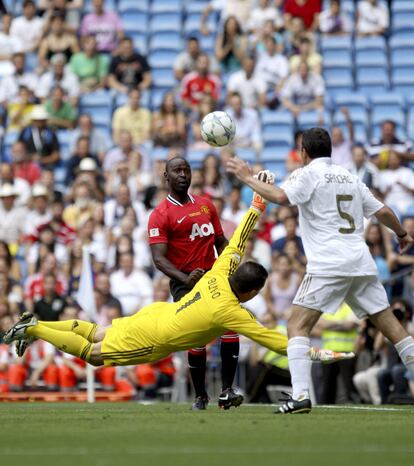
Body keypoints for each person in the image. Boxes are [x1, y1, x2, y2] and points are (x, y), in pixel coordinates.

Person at [4, 175, 352, 391]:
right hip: (154, 337)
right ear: (252, 293)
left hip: (156, 314)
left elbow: (238, 240)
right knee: (94, 355)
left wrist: (257, 203)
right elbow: (277, 341)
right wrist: (319, 354)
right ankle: (34, 329)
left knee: (98, 331)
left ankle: (35, 326)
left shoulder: (219, 271)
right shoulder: (233, 313)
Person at [227, 126, 414, 414]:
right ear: (329, 151)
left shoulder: (305, 174)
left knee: (296, 326)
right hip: (360, 263)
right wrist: (401, 234)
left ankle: (300, 396)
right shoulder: (351, 177)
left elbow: (279, 197)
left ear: (303, 152)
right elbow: (384, 211)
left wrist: (246, 178)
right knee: (394, 328)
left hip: (329, 263)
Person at [148, 156, 239, 410]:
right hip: (185, 283)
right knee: (197, 338)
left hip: (213, 279)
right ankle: (200, 395)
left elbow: (221, 243)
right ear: (166, 176)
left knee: (230, 327)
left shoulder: (206, 206)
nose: (182, 174)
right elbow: (159, 259)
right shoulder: (160, 214)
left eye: (186, 170)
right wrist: (185, 278)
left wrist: (230, 267)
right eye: (177, 170)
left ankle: (227, 391)